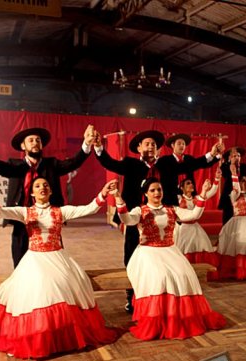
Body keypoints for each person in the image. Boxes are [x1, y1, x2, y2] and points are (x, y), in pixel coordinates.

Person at [0, 177, 122, 359]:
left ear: (51, 191)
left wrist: (104, 192)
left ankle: (59, 337)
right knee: (40, 289)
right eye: (38, 186)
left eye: (46, 185)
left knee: (65, 287)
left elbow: (90, 208)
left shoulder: (60, 211)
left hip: (57, 258)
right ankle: (40, 339)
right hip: (35, 259)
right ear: (32, 193)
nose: (42, 188)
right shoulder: (25, 212)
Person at [94, 129, 223, 313]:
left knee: (166, 259)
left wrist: (212, 154)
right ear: (139, 147)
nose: (150, 147)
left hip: (162, 217)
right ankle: (132, 296)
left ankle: (165, 296)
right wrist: (99, 147)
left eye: (153, 144)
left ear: (158, 149)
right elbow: (109, 163)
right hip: (136, 218)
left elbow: (192, 164)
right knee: (132, 257)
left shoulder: (167, 163)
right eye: (147, 144)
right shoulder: (130, 164)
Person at [113, 177, 226, 340]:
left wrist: (202, 194)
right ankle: (158, 319)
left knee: (182, 275)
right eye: (152, 190)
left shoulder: (172, 209)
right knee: (160, 277)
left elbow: (194, 214)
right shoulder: (140, 211)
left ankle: (177, 317)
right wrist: (118, 198)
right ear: (145, 193)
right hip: (147, 252)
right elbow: (126, 219)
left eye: (159, 189)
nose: (157, 193)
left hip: (170, 251)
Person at [0, 124, 95, 267]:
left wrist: (86, 143)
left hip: (48, 221)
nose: (35, 143)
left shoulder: (52, 164)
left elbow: (73, 163)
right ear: (23, 146)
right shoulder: (15, 165)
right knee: (20, 263)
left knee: (54, 263)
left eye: (38, 140)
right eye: (30, 140)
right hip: (22, 219)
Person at [158, 133, 222, 206]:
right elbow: (181, 167)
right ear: (172, 145)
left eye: (183, 144)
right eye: (179, 143)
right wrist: (211, 154)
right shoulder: (165, 160)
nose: (182, 146)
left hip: (189, 197)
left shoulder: (188, 159)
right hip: (170, 198)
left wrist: (217, 155)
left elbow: (202, 164)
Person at [175, 167, 221, 265]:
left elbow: (212, 192)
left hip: (195, 227)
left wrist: (217, 179)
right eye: (188, 183)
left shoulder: (197, 198)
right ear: (182, 187)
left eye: (191, 183)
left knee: (201, 246)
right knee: (184, 249)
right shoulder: (178, 199)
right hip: (183, 228)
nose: (191, 184)